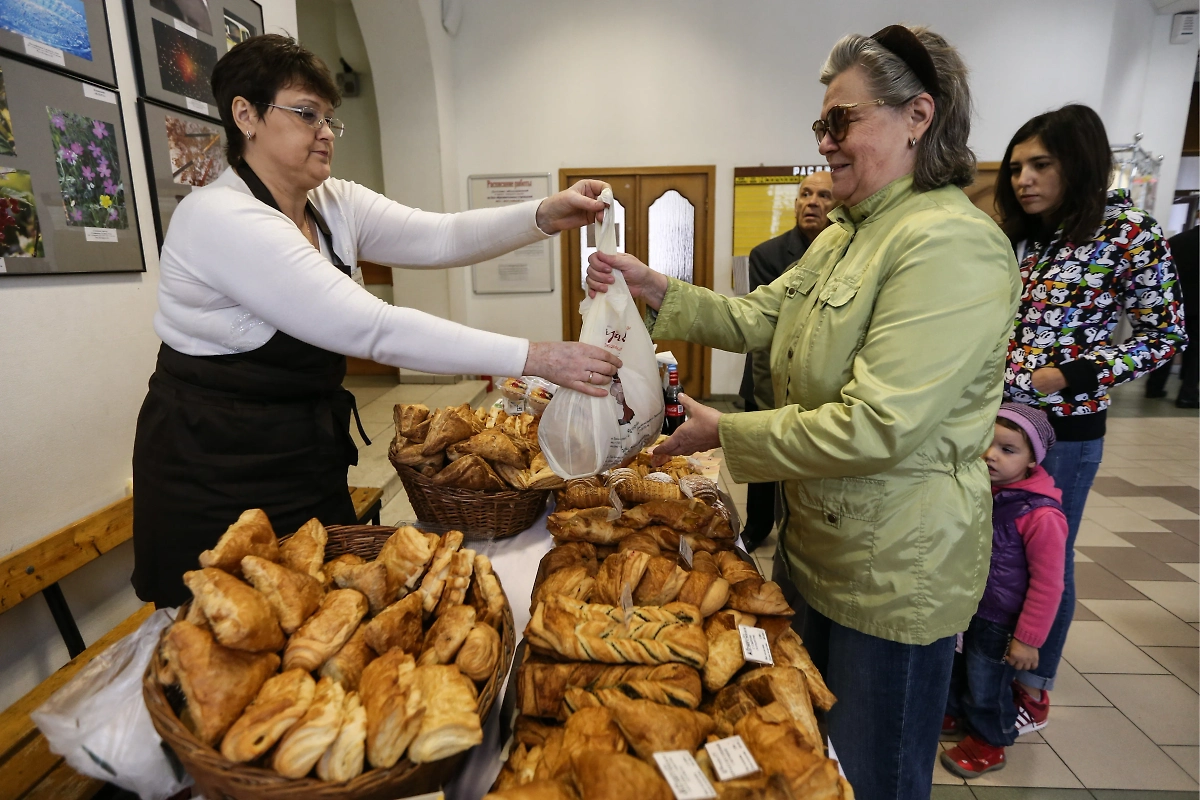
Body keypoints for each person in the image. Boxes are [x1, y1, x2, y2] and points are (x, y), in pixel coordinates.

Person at [588, 25, 1019, 800]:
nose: (825, 141)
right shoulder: (848, 234)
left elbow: (880, 423)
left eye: (842, 120)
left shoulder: (950, 244)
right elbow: (758, 319)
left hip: (892, 571)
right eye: (823, 124)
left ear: (918, 114)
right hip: (819, 548)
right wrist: (655, 288)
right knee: (804, 760)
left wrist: (728, 436)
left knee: (869, 774)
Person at [132, 35, 621, 608]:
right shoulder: (218, 217)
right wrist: (537, 357)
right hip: (213, 461)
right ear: (246, 115)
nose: (324, 131)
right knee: (225, 626)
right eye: (306, 113)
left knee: (315, 601)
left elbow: (440, 235)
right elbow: (373, 327)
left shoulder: (332, 202)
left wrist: (542, 214)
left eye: (329, 119)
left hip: (302, 450)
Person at [995, 104, 1186, 733]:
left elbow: (1166, 335)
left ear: (1079, 162)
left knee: (1049, 555)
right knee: (996, 552)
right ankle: (986, 676)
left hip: (1067, 432)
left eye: (1041, 164)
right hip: (996, 425)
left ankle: (1033, 687)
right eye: (1018, 166)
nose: (1024, 178)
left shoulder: (1130, 232)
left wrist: (1078, 373)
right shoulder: (1024, 234)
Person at [941, 403, 1066, 778]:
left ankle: (990, 741)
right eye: (987, 443)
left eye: (1008, 450)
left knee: (988, 682)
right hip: (969, 606)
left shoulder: (1041, 515)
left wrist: (1028, 639)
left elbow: (1049, 584)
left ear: (1032, 461)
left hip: (1001, 619)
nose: (991, 455)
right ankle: (956, 712)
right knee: (958, 666)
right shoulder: (982, 491)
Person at [738, 170, 835, 551]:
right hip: (766, 376)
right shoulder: (769, 254)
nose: (811, 202)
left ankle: (801, 532)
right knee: (763, 459)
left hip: (816, 381)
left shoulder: (850, 253)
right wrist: (769, 404)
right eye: (805, 194)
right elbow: (766, 333)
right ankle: (759, 526)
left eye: (823, 195)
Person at [1145, 225, 1198, 407]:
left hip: (1173, 302)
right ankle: (1187, 394)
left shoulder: (1177, 240)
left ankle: (1154, 387)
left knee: (1167, 343)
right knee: (1195, 352)